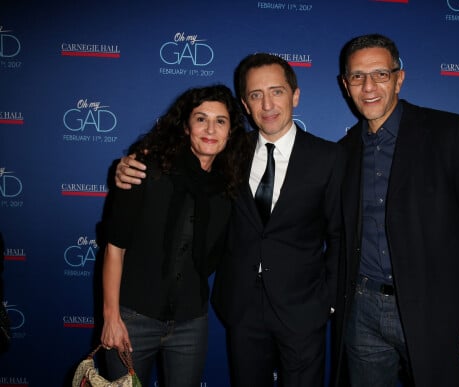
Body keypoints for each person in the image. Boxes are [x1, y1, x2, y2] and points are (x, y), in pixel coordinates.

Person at [114, 53, 344, 387]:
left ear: (295, 95)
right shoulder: (228, 151)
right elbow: (179, 159)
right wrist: (130, 165)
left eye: (276, 91)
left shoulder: (329, 157)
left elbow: (340, 235)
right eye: (255, 95)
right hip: (242, 307)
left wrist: (326, 304)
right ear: (245, 105)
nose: (267, 104)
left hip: (303, 310)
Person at [332, 34, 459, 387]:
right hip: (361, 313)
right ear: (346, 84)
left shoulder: (449, 133)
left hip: (440, 312)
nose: (368, 86)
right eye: (357, 76)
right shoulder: (343, 152)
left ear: (399, 78)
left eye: (380, 74)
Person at [100, 84, 247, 387]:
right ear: (185, 127)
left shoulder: (229, 187)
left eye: (220, 121)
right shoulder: (145, 169)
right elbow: (115, 248)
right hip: (132, 318)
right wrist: (111, 318)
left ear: (230, 132)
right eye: (201, 118)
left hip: (190, 323)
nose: (210, 128)